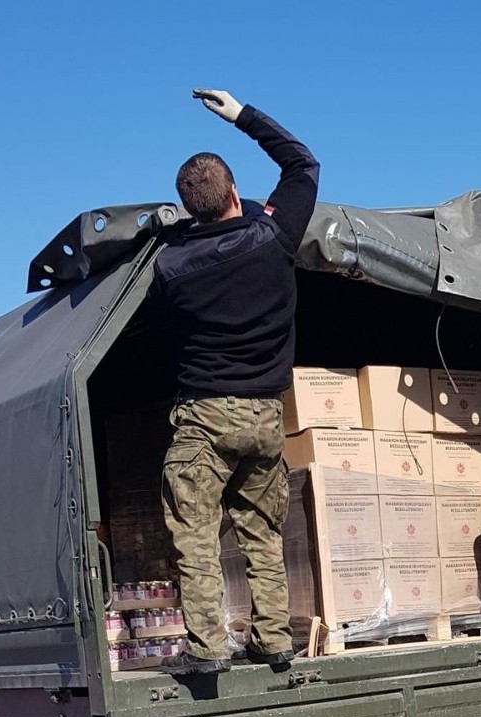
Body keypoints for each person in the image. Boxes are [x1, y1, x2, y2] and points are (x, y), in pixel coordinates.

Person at [149, 89, 319, 675]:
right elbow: (302, 163)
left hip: (205, 416)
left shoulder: (171, 267)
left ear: (188, 207)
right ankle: (273, 640)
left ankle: (207, 648)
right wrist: (242, 114)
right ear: (235, 193)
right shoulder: (272, 239)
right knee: (262, 531)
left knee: (195, 534)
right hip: (267, 418)